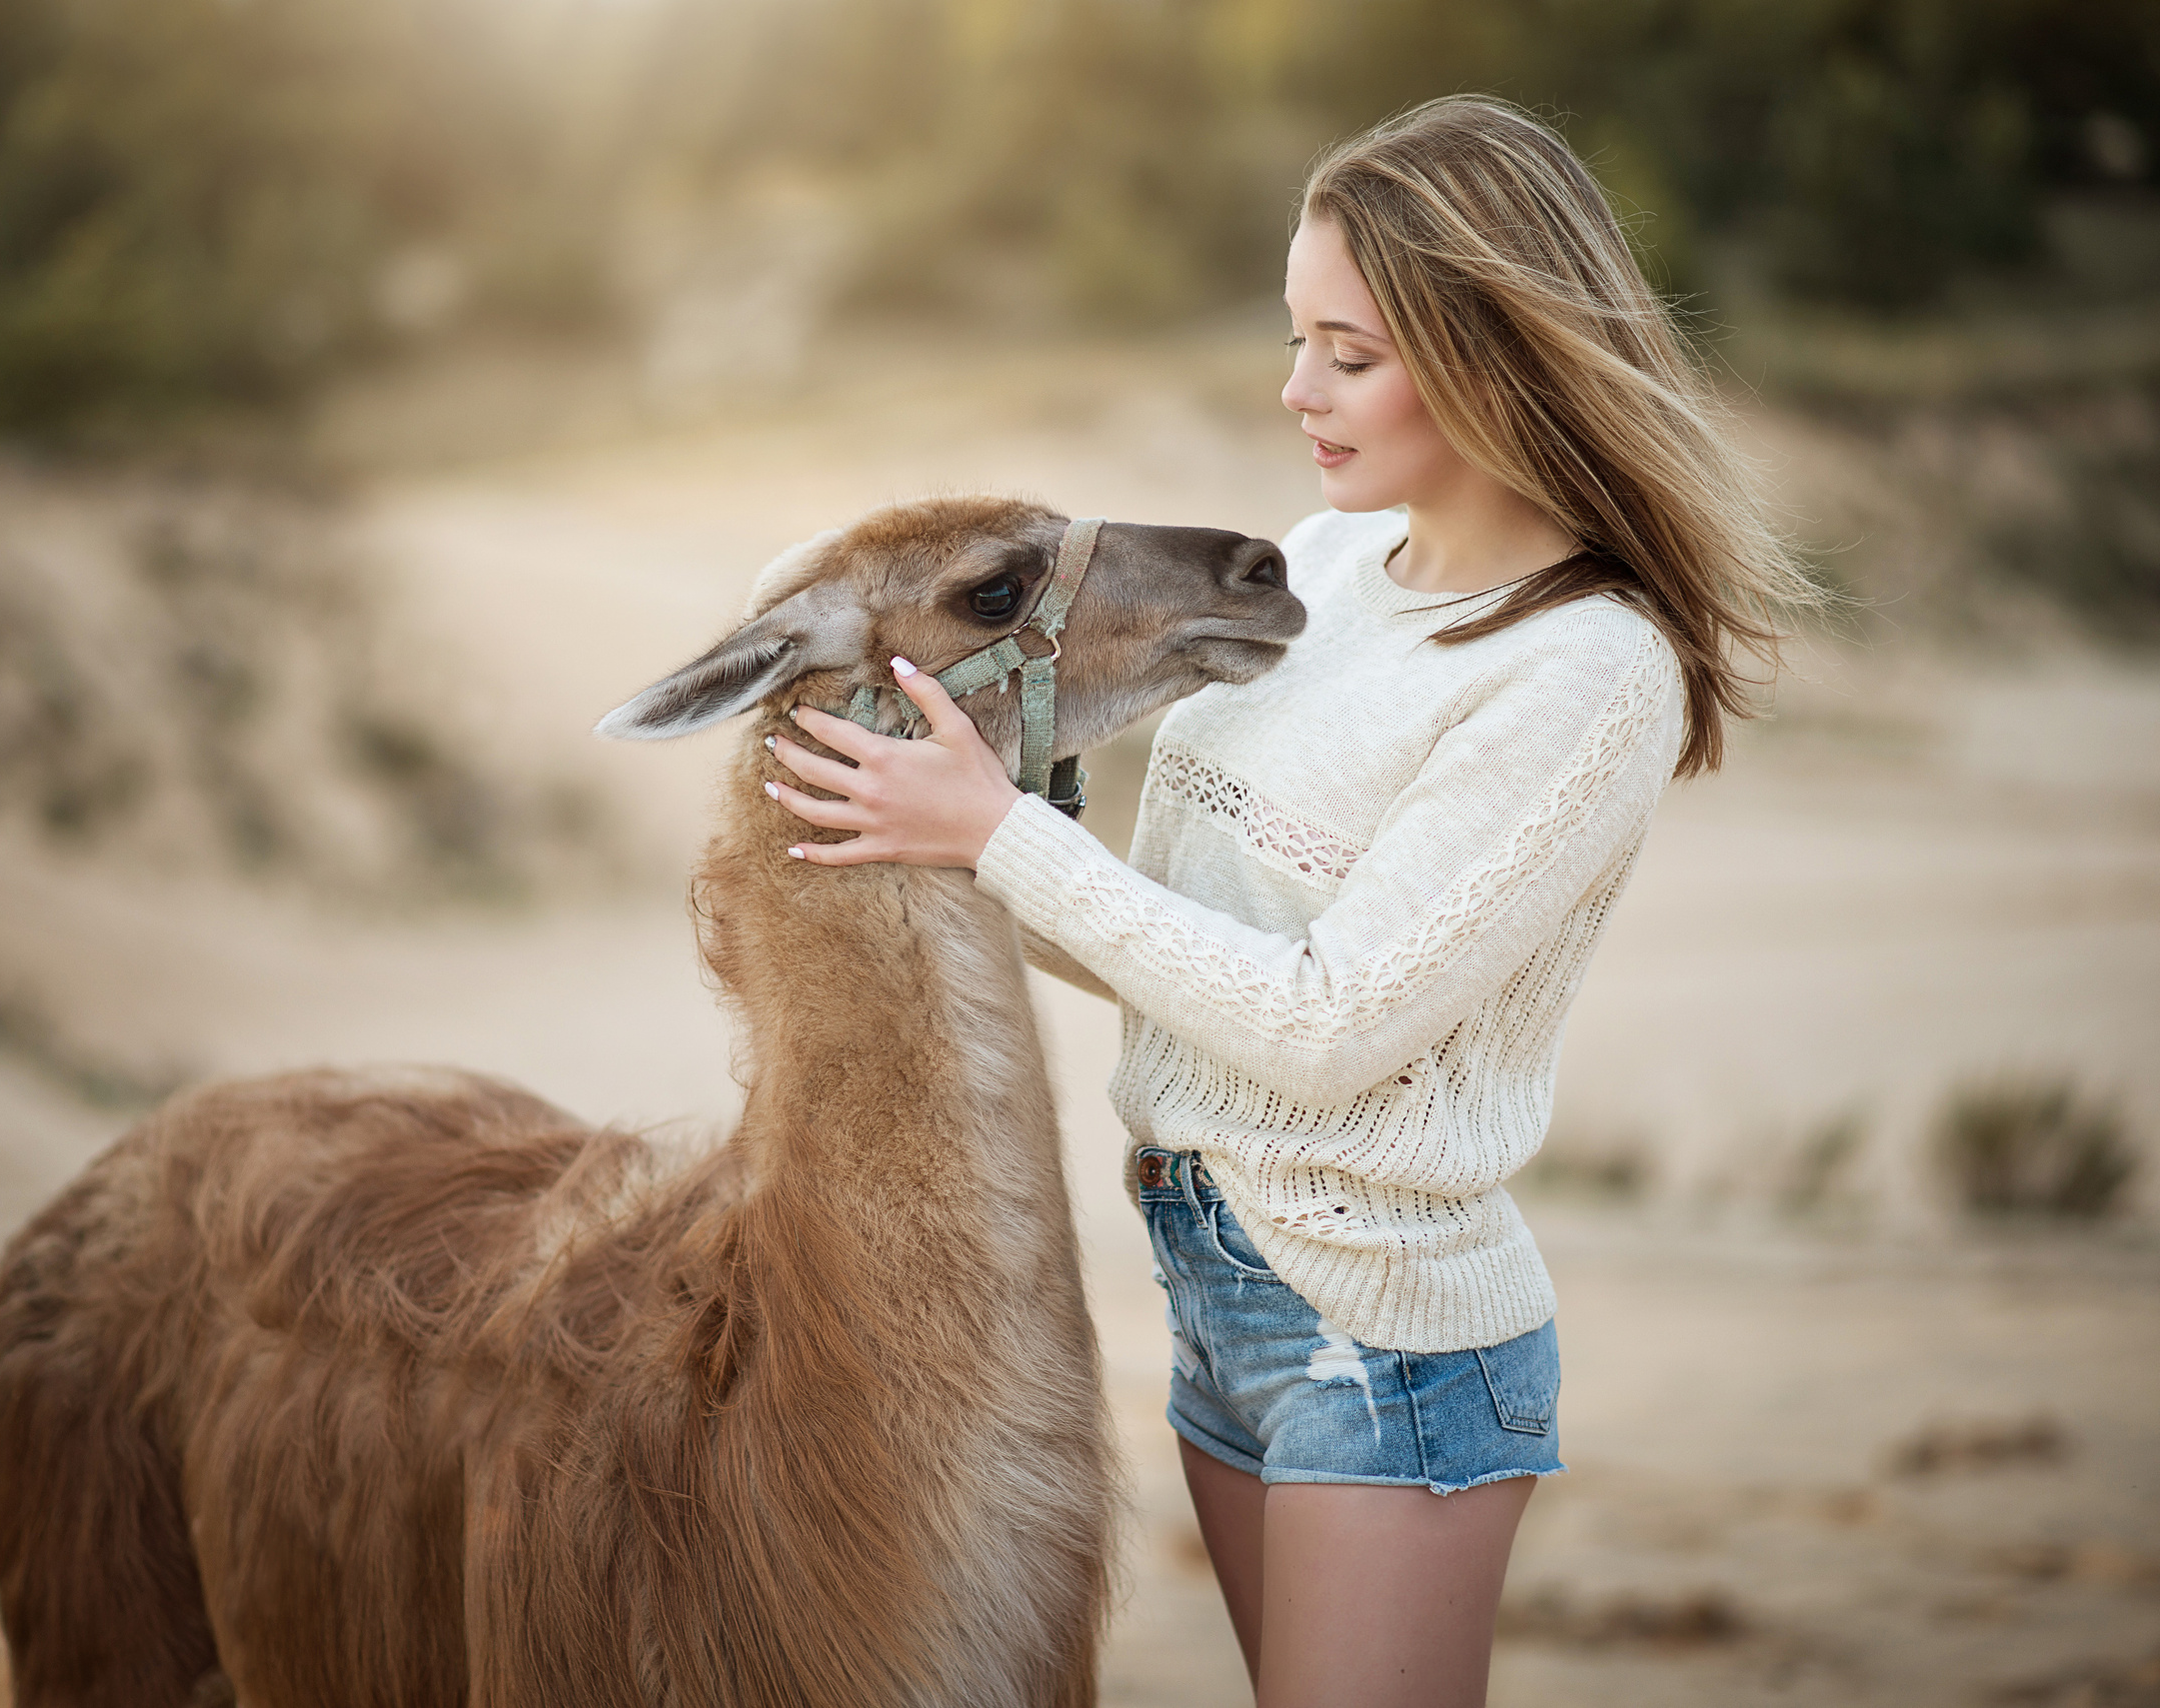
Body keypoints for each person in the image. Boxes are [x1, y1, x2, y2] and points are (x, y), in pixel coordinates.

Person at [762, 94, 1815, 1708]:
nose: (1293, 390)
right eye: (1293, 335)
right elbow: (1188, 944)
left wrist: (997, 838)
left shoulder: (1586, 672)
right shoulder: (1321, 568)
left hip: (1380, 1332)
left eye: (1349, 351)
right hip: (1214, 1280)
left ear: (1489, 356)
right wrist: (935, 822)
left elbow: (1328, 1023)